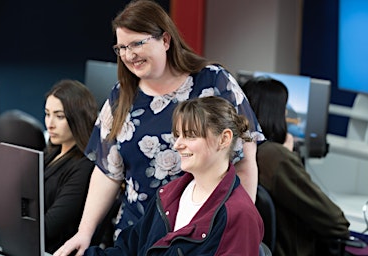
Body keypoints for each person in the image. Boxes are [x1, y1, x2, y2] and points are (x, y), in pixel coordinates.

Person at [54, 1, 264, 255]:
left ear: (165, 40)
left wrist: (238, 223)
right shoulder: (121, 97)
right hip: (138, 236)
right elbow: (108, 170)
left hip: (199, 237)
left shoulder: (213, 81)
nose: (129, 54)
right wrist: (85, 232)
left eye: (137, 43)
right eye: (121, 47)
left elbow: (245, 159)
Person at [85, 96, 264, 255]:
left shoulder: (239, 215)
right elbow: (127, 249)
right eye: (177, 136)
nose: (177, 145)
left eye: (190, 136)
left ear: (224, 139)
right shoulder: (168, 194)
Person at [242, 76, 350, 256]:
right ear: (273, 113)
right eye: (284, 110)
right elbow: (336, 222)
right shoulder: (276, 158)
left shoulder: (240, 154)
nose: (286, 115)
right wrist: (287, 156)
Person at [43, 79, 98, 253]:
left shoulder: (83, 167)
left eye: (59, 116)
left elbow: (49, 227)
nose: (50, 124)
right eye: (47, 114)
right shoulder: (52, 150)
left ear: (77, 119)